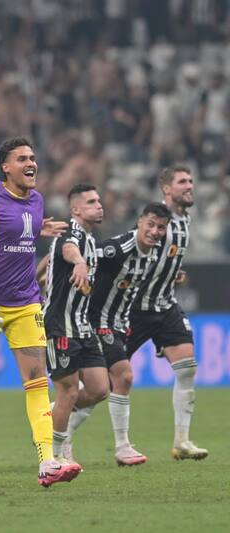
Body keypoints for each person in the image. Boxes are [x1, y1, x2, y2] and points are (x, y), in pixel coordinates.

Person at [0, 138, 77, 486]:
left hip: (26, 303)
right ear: (5, 167)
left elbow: (22, 234)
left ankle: (47, 461)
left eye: (32, 157)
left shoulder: (37, 200)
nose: (31, 163)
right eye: (22, 159)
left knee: (36, 381)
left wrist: (40, 229)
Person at [62, 202, 171, 466]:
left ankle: (58, 422)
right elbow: (83, 259)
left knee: (100, 389)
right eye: (151, 224)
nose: (155, 232)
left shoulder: (153, 253)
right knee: (124, 376)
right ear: (140, 221)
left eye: (161, 227)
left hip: (119, 324)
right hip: (97, 321)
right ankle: (122, 447)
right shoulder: (118, 248)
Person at [126, 166, 207, 460]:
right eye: (182, 181)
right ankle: (61, 429)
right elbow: (132, 253)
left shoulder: (185, 220)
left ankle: (181, 442)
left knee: (187, 368)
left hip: (165, 306)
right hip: (134, 309)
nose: (190, 186)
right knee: (104, 382)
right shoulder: (154, 222)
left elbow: (165, 259)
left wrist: (173, 274)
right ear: (166, 189)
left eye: (191, 181)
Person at [42, 184, 109, 470]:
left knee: (100, 388)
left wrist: (42, 275)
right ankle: (55, 457)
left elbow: (51, 259)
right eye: (91, 202)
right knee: (68, 392)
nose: (99, 205)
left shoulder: (91, 238)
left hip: (82, 326)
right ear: (76, 209)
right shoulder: (71, 232)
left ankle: (52, 414)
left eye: (99, 200)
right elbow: (68, 248)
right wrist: (79, 262)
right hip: (60, 326)